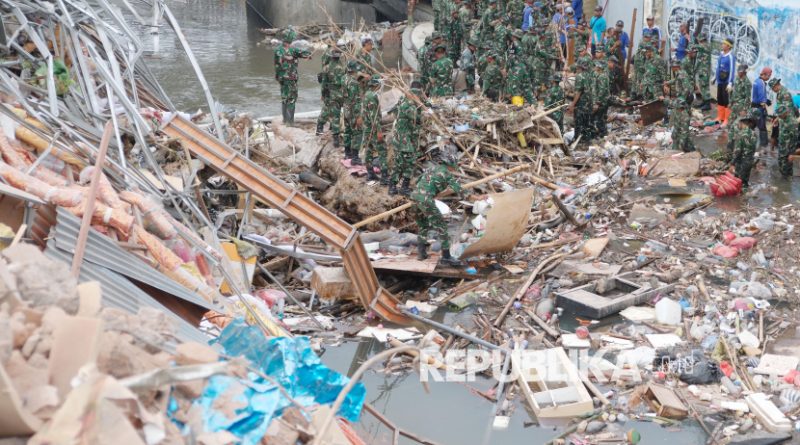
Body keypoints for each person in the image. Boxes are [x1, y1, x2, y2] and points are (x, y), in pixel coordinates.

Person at [412, 149, 462, 265]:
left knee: (423, 225)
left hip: (414, 198)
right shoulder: (446, 173)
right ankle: (446, 257)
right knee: (442, 227)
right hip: (426, 200)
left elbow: (419, 182)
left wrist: (432, 192)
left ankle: (421, 253)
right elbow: (460, 190)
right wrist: (476, 197)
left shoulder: (431, 169)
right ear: (451, 164)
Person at [390, 82, 425, 196]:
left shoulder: (403, 100)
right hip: (403, 140)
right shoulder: (409, 105)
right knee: (405, 163)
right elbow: (417, 119)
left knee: (404, 162)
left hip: (403, 138)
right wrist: (425, 113)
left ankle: (398, 187)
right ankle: (396, 186)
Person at [274, 30, 310, 125]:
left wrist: (278, 77)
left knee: (284, 98)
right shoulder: (293, 50)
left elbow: (276, 66)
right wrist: (308, 56)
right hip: (291, 79)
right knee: (292, 99)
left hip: (282, 79)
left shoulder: (277, 50)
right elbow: (305, 53)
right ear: (290, 40)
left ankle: (285, 120)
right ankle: (290, 123)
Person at [360, 74, 388, 184]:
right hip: (372, 129)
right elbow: (374, 117)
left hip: (367, 128)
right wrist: (379, 131)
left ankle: (370, 174)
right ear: (376, 84)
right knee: (382, 151)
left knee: (369, 151)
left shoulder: (367, 94)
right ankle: (385, 177)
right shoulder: (372, 97)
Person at [316, 46, 345, 147]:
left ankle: (322, 129)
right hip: (339, 94)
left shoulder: (327, 68)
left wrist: (323, 94)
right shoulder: (343, 67)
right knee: (335, 113)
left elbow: (324, 84)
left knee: (329, 111)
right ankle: (334, 135)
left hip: (330, 93)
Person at [343, 61, 365, 164]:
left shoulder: (344, 78)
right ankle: (355, 157)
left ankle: (347, 153)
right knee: (357, 132)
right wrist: (358, 116)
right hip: (353, 111)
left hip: (346, 109)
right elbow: (355, 100)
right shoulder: (354, 83)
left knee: (347, 131)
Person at [570, 58, 594, 142]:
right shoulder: (590, 75)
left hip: (581, 104)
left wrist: (572, 104)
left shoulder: (580, 76)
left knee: (578, 124)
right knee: (587, 123)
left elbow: (578, 92)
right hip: (589, 103)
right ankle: (587, 140)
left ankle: (578, 141)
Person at [732, 111, 758, 187]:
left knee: (739, 183)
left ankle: (741, 198)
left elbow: (738, 151)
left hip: (742, 162)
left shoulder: (741, 134)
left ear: (741, 123)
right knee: (745, 182)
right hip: (750, 161)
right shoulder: (753, 133)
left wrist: (732, 163)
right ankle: (747, 196)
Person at [715, 37, 735, 127]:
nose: (722, 45)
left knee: (726, 100)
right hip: (720, 81)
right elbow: (718, 67)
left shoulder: (730, 57)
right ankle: (720, 117)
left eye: (724, 44)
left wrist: (730, 82)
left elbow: (732, 70)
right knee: (720, 98)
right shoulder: (721, 54)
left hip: (726, 82)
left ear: (728, 46)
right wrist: (714, 77)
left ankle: (726, 119)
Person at [751, 67, 771, 147]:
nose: (769, 77)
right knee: (762, 127)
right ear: (765, 75)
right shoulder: (761, 83)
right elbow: (762, 99)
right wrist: (766, 104)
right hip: (759, 108)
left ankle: (750, 140)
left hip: (753, 106)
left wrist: (766, 100)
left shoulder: (756, 81)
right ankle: (764, 145)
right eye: (769, 76)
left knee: (753, 125)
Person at [776, 104, 798, 177]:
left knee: (787, 169)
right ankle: (785, 184)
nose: (779, 116)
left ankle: (787, 185)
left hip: (788, 151)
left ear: (786, 113)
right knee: (781, 167)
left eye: (780, 115)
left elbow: (795, 139)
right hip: (781, 149)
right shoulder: (782, 119)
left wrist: (792, 153)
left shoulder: (792, 123)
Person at [592, 60, 610, 138]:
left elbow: (602, 91)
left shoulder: (603, 76)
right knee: (598, 118)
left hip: (602, 102)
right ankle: (601, 132)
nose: (595, 67)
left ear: (600, 67)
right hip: (599, 101)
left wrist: (597, 102)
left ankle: (603, 133)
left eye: (597, 66)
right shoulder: (598, 75)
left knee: (600, 118)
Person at [694, 33, 712, 111]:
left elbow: (697, 47)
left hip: (704, 71)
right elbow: (698, 59)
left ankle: (708, 104)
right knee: (702, 87)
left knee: (705, 87)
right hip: (701, 70)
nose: (698, 40)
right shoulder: (701, 47)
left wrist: (690, 41)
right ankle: (704, 102)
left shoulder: (706, 46)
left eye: (698, 39)